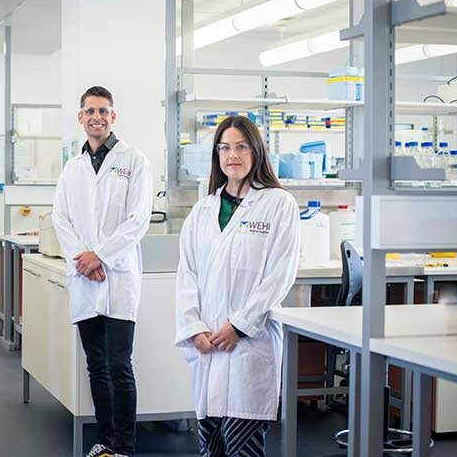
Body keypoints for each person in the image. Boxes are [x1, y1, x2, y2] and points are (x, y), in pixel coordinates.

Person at [175, 116, 300, 457]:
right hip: (208, 343)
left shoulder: (278, 204)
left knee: (242, 443)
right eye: (225, 147)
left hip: (249, 342)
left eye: (242, 147)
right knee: (211, 444)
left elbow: (279, 275)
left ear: (256, 151)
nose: (233, 155)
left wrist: (240, 326)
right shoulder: (202, 210)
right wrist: (193, 328)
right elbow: (187, 274)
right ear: (217, 155)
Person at [52, 86, 153, 457]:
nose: (97, 117)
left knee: (119, 364)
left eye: (103, 111)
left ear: (113, 116)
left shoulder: (134, 160)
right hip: (85, 277)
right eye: (90, 111)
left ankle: (124, 446)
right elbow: (60, 218)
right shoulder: (72, 168)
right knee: (96, 365)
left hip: (118, 275)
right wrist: (83, 258)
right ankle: (106, 441)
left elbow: (138, 219)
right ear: (81, 117)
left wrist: (101, 257)